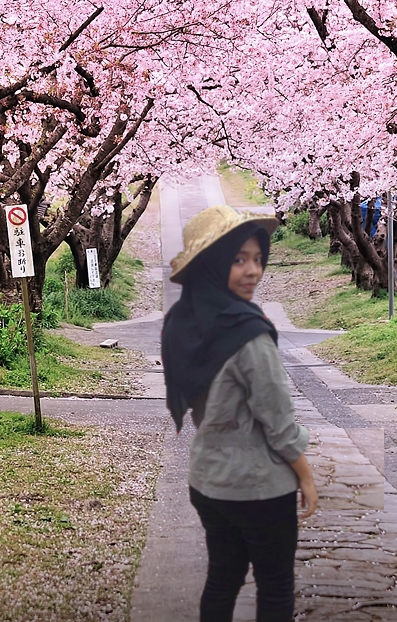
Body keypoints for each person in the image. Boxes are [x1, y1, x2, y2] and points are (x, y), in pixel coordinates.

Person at [161, 204, 318, 622]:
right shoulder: (248, 335)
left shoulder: (183, 321)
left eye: (257, 259)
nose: (253, 271)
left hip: (208, 481)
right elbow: (279, 423)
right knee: (275, 586)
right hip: (259, 488)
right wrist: (305, 475)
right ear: (212, 264)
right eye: (237, 259)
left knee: (223, 578)